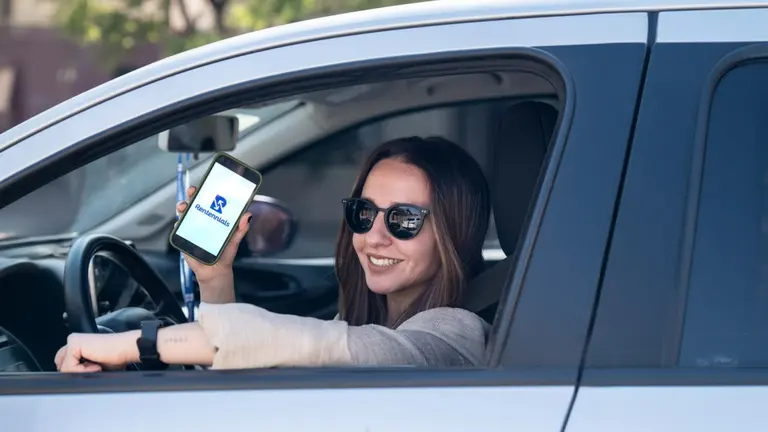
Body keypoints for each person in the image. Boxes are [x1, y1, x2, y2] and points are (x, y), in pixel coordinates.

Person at [55, 136, 492, 372]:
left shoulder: (455, 335)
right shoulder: (367, 319)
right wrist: (214, 277)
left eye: (403, 220)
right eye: (364, 213)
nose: (374, 237)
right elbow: (246, 355)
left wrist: (126, 345)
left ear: (453, 232)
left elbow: (294, 343)